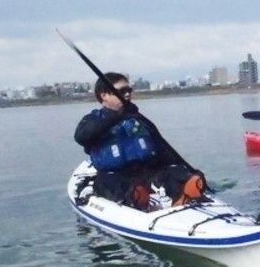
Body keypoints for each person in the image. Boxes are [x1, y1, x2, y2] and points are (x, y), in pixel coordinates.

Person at [74, 72, 205, 210]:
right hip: (113, 175)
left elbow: (162, 148)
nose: (127, 94)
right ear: (104, 95)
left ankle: (185, 192)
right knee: (117, 185)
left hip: (147, 173)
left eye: (129, 90)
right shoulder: (92, 120)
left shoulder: (137, 119)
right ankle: (136, 197)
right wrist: (115, 115)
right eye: (122, 91)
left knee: (175, 174)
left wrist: (186, 171)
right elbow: (81, 137)